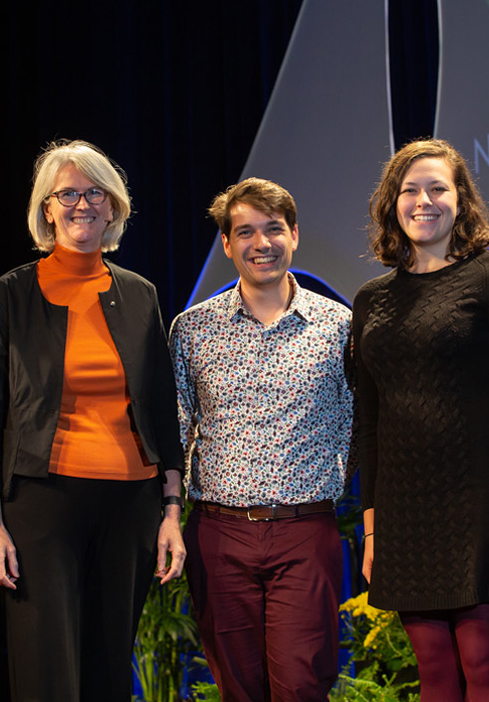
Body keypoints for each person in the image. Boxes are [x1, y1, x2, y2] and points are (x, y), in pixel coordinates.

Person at [0, 140, 186, 700]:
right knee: (48, 675)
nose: (81, 204)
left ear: (113, 207)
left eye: (95, 193)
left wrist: (171, 512)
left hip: (130, 504)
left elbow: (162, 409)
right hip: (41, 503)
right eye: (67, 193)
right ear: (47, 207)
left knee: (109, 672)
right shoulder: (10, 294)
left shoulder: (140, 295)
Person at [352, 138, 489, 701]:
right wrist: (371, 529)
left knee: (485, 665)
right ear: (393, 203)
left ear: (460, 200)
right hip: (405, 513)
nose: (423, 200)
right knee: (435, 673)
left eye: (437, 188)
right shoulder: (372, 299)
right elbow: (370, 423)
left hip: (482, 505)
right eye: (410, 190)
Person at [169, 178, 352, 701]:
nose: (261, 243)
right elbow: (177, 432)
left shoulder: (338, 326)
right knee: (238, 689)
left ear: (294, 235)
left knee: (301, 685)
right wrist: (168, 518)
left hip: (304, 530)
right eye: (244, 231)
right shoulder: (193, 329)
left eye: (273, 229)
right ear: (227, 244)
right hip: (219, 534)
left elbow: (363, 426)